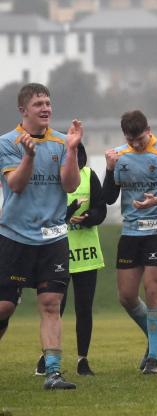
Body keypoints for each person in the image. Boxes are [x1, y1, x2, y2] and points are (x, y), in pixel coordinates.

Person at [0, 83, 83, 390]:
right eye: (38, 104)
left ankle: (53, 373)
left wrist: (72, 149)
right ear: (23, 110)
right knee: (5, 307)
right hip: (14, 237)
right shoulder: (7, 143)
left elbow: (70, 185)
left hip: (53, 238)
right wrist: (29, 157)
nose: (46, 108)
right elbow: (17, 185)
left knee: (50, 303)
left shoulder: (62, 141)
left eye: (48, 102)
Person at [102, 110, 157, 375]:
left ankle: (153, 358)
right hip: (131, 233)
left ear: (149, 129)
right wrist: (109, 169)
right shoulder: (119, 155)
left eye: (140, 139)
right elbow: (107, 197)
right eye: (131, 140)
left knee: (152, 290)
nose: (136, 145)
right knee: (127, 296)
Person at [35, 142, 107, 376]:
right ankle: (46, 357)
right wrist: (68, 213)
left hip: (86, 253)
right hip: (59, 252)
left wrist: (87, 217)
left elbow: (101, 210)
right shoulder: (53, 179)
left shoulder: (89, 176)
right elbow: (45, 216)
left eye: (78, 155)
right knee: (55, 307)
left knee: (84, 308)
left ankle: (82, 360)